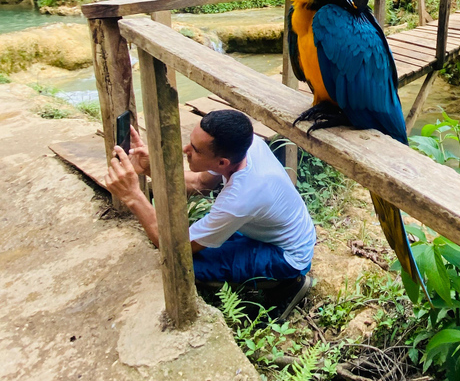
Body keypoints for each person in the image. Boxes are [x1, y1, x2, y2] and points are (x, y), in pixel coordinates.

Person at [104, 109, 316, 318]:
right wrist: (153, 168)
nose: (185, 149)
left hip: (287, 257)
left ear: (222, 162)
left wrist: (133, 196)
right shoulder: (244, 146)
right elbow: (200, 183)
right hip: (273, 230)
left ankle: (287, 284)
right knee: (200, 247)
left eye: (195, 150)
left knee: (183, 266)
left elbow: (174, 246)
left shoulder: (239, 198)